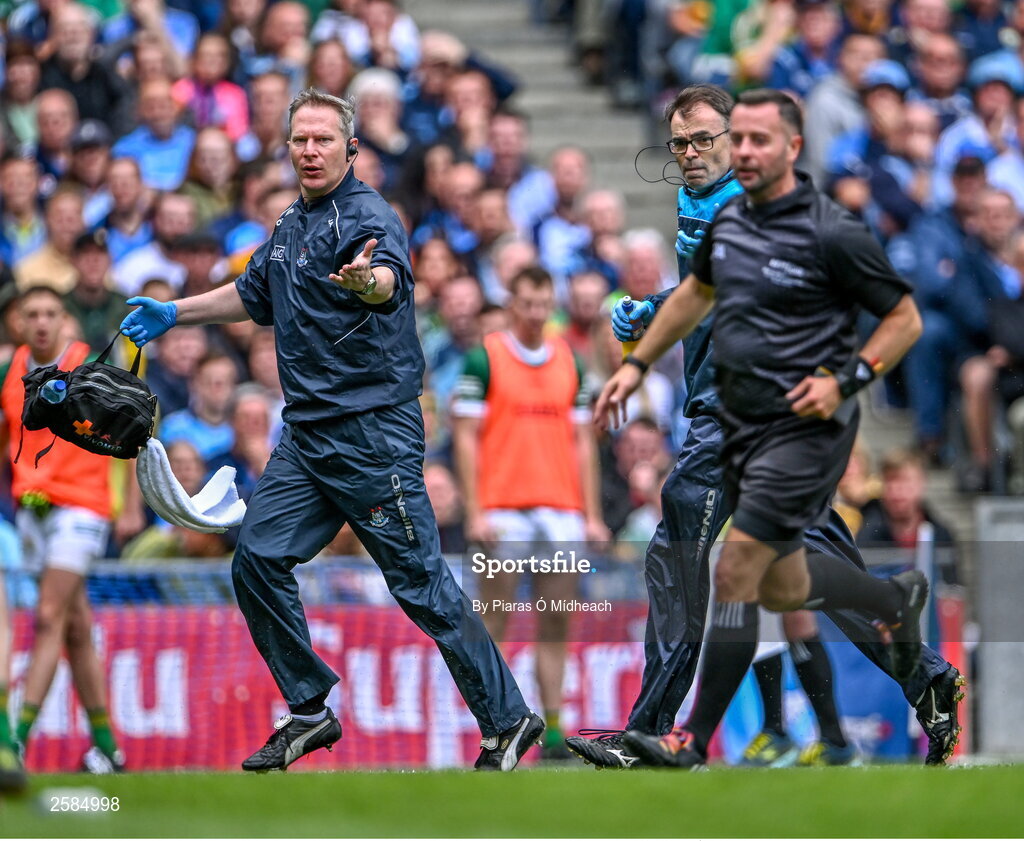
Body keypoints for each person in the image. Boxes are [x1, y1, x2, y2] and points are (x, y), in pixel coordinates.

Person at [120, 88, 543, 772]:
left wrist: (365, 281)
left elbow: (387, 281)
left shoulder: (369, 214)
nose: (310, 151)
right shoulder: (290, 223)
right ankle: (310, 708)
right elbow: (250, 294)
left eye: (322, 140)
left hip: (373, 435)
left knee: (420, 584)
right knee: (255, 559)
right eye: (299, 140)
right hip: (308, 439)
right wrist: (174, 312)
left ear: (350, 148)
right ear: (287, 148)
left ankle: (509, 719)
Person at [583, 87, 957, 770]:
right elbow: (707, 289)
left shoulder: (775, 215)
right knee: (799, 576)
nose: (692, 154)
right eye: (680, 143)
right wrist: (651, 331)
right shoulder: (711, 207)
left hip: (752, 414)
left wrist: (845, 381)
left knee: (684, 558)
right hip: (750, 410)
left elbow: (888, 315)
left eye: (709, 139)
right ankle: (920, 666)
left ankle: (656, 731)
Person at [451, 265, 610, 759]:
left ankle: (556, 728)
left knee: (557, 620)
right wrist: (475, 511)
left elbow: (585, 443)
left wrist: (592, 514)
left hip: (560, 508)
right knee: (494, 619)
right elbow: (464, 439)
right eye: (528, 304)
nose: (537, 313)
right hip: (503, 510)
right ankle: (497, 724)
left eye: (545, 304)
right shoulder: (485, 359)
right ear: (512, 303)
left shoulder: (570, 360)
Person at [0, 287, 124, 774]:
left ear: (65, 318)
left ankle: (15, 741)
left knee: (49, 615)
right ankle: (108, 748)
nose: (42, 322)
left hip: (82, 508)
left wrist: (128, 502)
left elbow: (129, 429)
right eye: (32, 314)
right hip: (32, 512)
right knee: (75, 627)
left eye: (51, 312)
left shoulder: (88, 364)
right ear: (18, 322)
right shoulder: (10, 369)